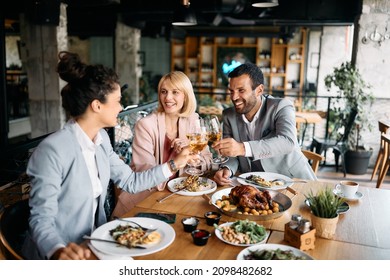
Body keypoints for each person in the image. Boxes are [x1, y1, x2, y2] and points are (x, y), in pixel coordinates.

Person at [22, 52, 195, 260]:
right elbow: (41, 219)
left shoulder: (101, 139)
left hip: (98, 243)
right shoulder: (52, 151)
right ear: (97, 106)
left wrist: (174, 164)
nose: (121, 108)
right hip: (63, 255)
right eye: (118, 101)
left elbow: (131, 181)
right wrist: (58, 250)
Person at [112, 71, 212, 217]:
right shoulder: (146, 125)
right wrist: (176, 162)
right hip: (146, 199)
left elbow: (208, 161)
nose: (168, 97)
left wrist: (191, 156)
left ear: (185, 95)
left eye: (175, 92)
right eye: (163, 92)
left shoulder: (193, 120)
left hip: (180, 197)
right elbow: (144, 172)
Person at [212, 62, 316, 186]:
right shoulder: (229, 115)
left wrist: (243, 148)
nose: (234, 97)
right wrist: (226, 169)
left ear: (259, 90)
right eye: (231, 91)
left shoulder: (281, 106)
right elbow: (231, 154)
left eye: (241, 90)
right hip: (252, 184)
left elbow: (287, 141)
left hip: (292, 180)